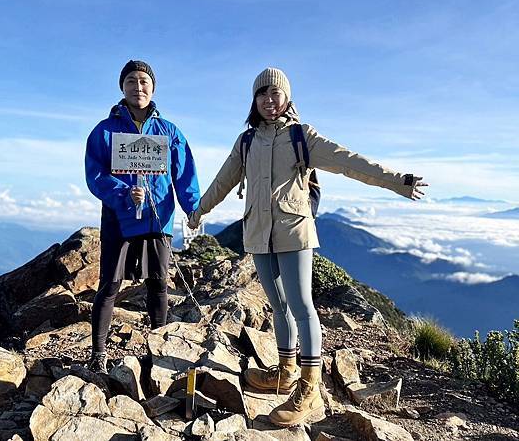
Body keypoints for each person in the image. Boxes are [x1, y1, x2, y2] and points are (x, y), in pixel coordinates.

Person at [188, 67, 427, 427]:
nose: (270, 101)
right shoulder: (246, 141)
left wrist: (396, 182)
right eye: (262, 95)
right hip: (258, 233)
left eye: (276, 94)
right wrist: (198, 211)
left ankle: (309, 387)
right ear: (254, 101)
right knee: (278, 305)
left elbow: (349, 162)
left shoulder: (303, 137)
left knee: (302, 306)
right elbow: (224, 180)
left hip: (293, 232)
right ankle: (285, 373)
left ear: (287, 98)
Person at [85, 60, 200, 373]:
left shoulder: (169, 132)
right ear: (122, 87)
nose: (138, 87)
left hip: (157, 216)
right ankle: (98, 353)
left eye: (144, 81)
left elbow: (184, 173)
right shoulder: (105, 131)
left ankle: (158, 350)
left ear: (153, 87)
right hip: (119, 217)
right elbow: (94, 174)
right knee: (110, 284)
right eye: (131, 81)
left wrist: (193, 207)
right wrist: (123, 191)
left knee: (158, 284)